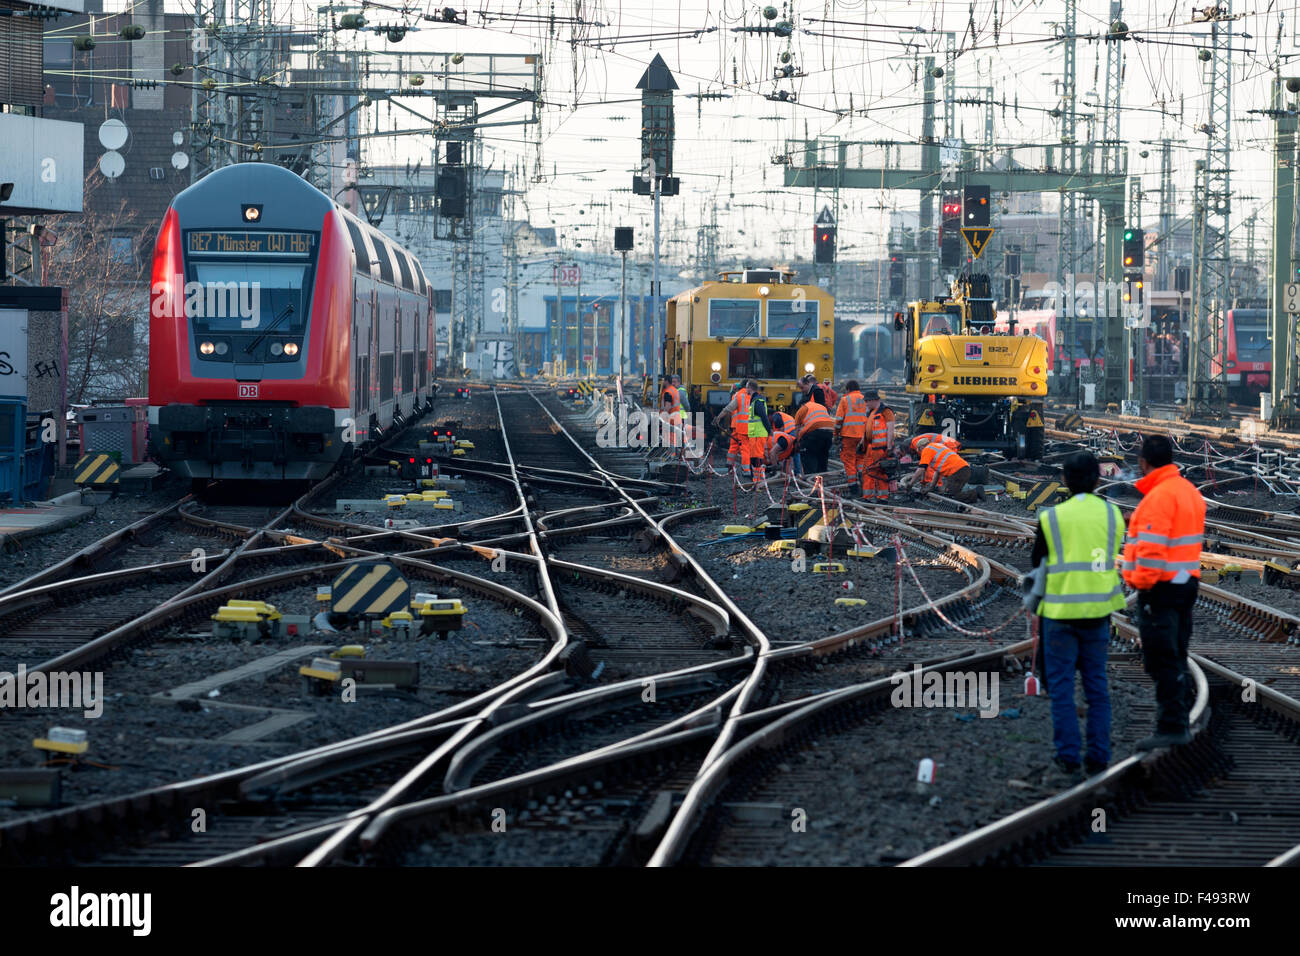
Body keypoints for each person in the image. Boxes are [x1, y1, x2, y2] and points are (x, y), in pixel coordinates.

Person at [1026, 451, 1125, 781]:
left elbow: (1038, 562)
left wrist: (1033, 605)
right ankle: (1099, 756)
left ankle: (1068, 756)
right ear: (1098, 480)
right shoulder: (1113, 516)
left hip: (1059, 613)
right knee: (1097, 688)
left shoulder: (1051, 518)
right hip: (1097, 614)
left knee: (1062, 689)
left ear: (1065, 480)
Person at [1121, 434, 1207, 751]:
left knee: (1161, 658)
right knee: (1176, 652)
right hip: (1186, 583)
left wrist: (1140, 584)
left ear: (1144, 462)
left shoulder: (1158, 498)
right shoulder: (1188, 491)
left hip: (1160, 589)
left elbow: (1151, 553)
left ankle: (1172, 726)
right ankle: (1178, 720)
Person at [713, 379, 770, 481]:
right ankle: (756, 475)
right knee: (755, 452)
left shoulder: (739, 396)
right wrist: (769, 429)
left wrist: (718, 417)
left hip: (742, 428)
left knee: (745, 450)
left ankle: (747, 472)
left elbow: (729, 408)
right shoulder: (758, 397)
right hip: (754, 429)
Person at [900, 436, 980, 502]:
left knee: (951, 497)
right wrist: (931, 487)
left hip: (957, 472)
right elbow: (937, 473)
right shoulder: (937, 446)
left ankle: (976, 493)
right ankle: (971, 495)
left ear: (921, 447)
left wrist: (910, 484)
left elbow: (921, 469)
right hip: (963, 470)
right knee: (950, 493)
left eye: (919, 450)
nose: (921, 453)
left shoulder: (927, 449)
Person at [858, 389, 896, 502]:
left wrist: (889, 447)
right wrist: (861, 444)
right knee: (867, 472)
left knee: (881, 472)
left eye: (867, 401)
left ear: (874, 400)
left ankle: (883, 497)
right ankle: (868, 497)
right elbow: (867, 431)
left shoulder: (886, 411)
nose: (866, 404)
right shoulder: (871, 413)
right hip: (870, 448)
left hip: (881, 449)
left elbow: (890, 429)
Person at [833, 380, 869, 494]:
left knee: (849, 461)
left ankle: (853, 488)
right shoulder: (865, 399)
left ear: (848, 389)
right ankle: (863, 480)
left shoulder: (845, 400)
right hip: (864, 436)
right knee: (860, 459)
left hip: (849, 435)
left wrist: (835, 434)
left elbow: (838, 420)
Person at [793, 393, 834, 474]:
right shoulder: (822, 407)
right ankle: (822, 480)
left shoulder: (803, 408)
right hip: (829, 433)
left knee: (808, 458)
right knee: (822, 458)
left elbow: (797, 429)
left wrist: (797, 443)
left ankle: (810, 480)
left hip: (814, 433)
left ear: (802, 404)